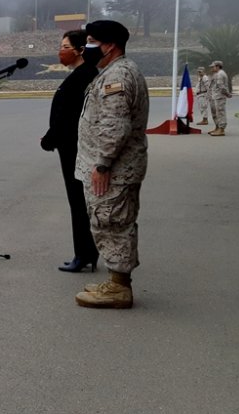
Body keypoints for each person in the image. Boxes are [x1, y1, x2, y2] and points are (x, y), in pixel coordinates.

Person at [73, 20, 149, 309]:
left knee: (113, 222)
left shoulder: (117, 76)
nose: (87, 46)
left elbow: (115, 126)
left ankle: (119, 288)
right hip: (111, 167)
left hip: (113, 170)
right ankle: (117, 282)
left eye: (92, 40)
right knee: (108, 222)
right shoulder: (111, 72)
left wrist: (102, 164)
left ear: (110, 45)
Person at [41, 30, 100, 273]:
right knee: (78, 201)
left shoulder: (85, 75)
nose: (61, 50)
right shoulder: (81, 74)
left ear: (79, 50)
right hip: (69, 145)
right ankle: (86, 252)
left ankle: (84, 253)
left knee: (78, 201)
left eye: (65, 46)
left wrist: (50, 137)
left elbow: (71, 116)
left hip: (75, 147)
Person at [207, 60, 231, 137]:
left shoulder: (220, 74)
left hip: (219, 96)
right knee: (216, 113)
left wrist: (227, 94)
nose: (211, 68)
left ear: (217, 66)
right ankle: (218, 128)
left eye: (213, 66)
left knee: (220, 113)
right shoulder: (217, 74)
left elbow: (221, 86)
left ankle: (221, 129)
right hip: (216, 96)